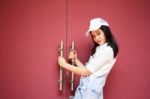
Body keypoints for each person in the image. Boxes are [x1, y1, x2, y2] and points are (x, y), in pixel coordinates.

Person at [58, 18, 119, 99]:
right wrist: (76, 59)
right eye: (94, 36)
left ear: (106, 32)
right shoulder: (100, 49)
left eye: (99, 33)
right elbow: (88, 71)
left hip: (90, 93)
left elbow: (85, 72)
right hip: (85, 89)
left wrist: (64, 65)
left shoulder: (107, 51)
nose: (97, 38)